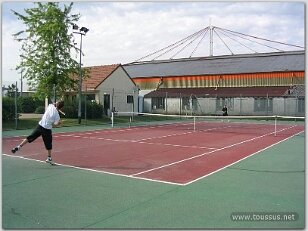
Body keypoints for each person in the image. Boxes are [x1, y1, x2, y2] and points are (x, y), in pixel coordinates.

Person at [11, 101, 65, 165]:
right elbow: (55, 124)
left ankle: (18, 146)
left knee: (30, 137)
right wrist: (60, 122)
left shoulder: (50, 106)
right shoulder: (57, 115)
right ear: (61, 108)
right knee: (49, 144)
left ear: (56, 104)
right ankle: (49, 158)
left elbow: (53, 104)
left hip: (40, 126)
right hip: (47, 130)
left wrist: (56, 104)